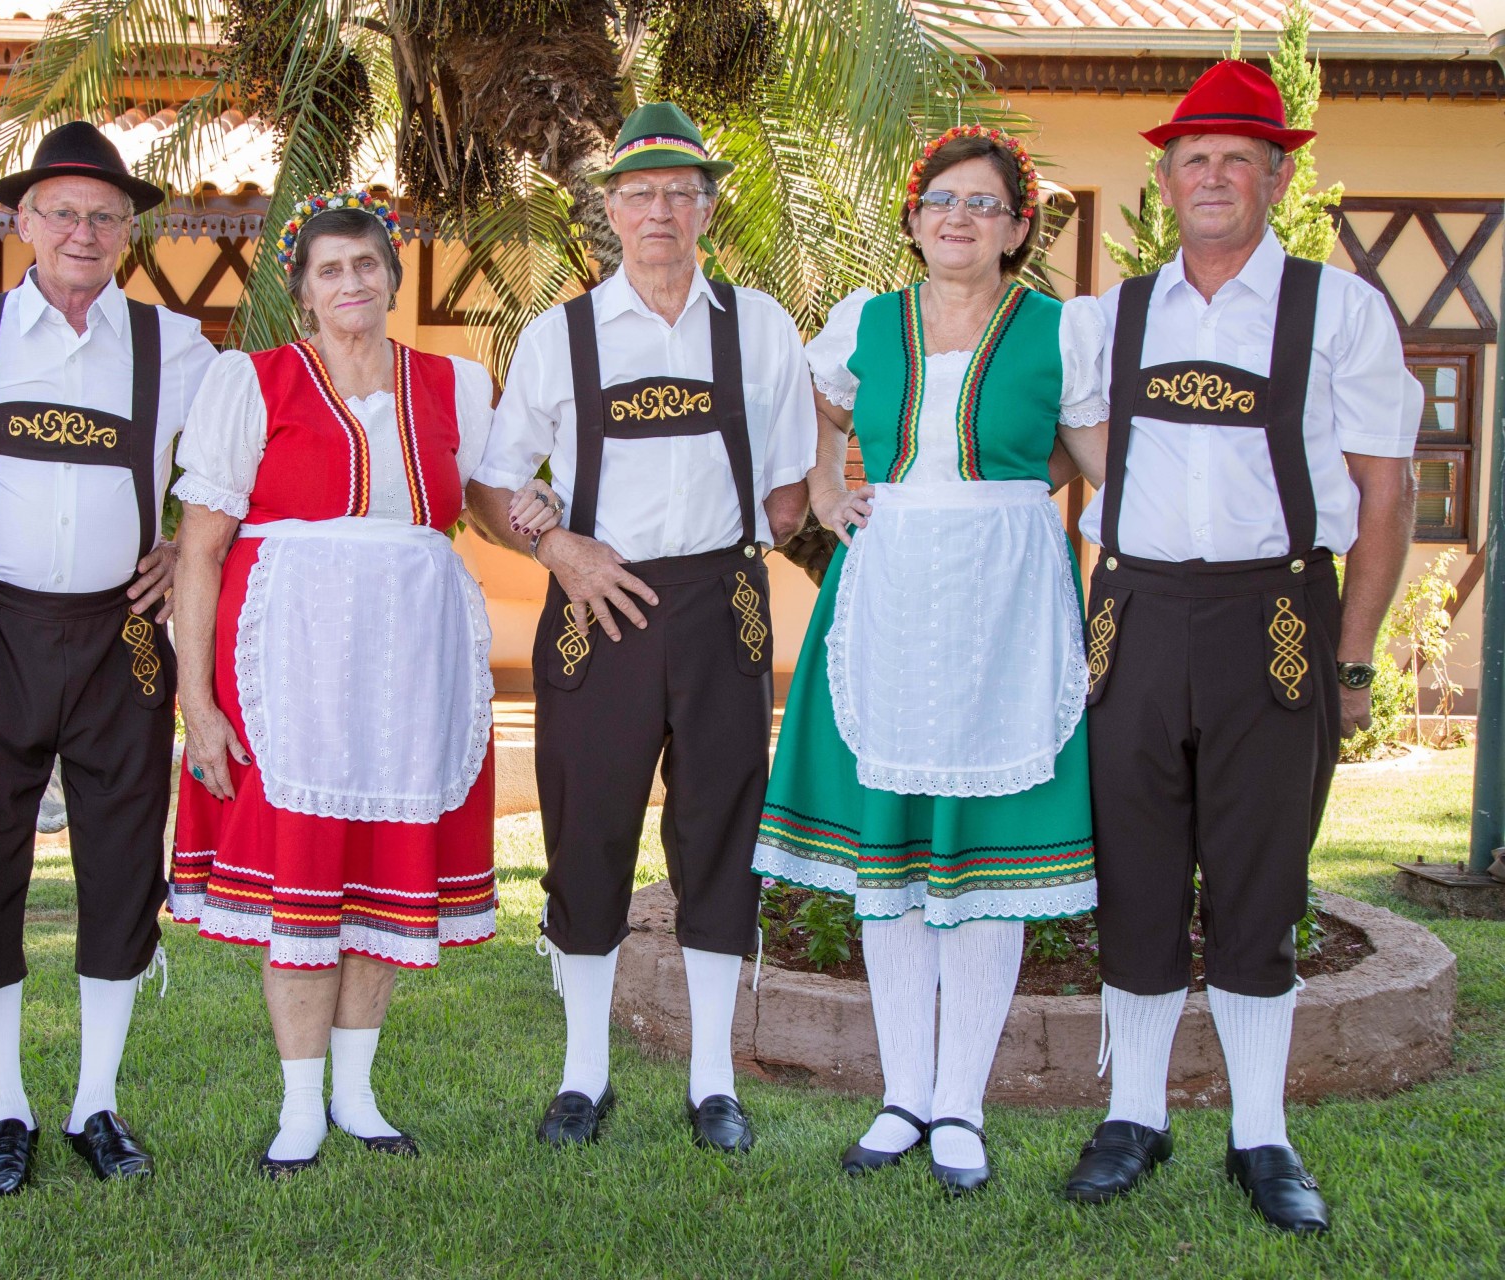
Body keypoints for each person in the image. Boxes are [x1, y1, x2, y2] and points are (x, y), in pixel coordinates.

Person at [1056, 60, 1419, 1234]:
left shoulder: (1341, 309)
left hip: (1277, 614)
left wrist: (1351, 657)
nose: (1211, 176)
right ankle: (1139, 1114)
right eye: (1191, 158)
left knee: (1262, 877)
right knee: (1139, 873)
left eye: (1236, 157)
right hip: (1136, 616)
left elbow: (1385, 494)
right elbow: (1072, 458)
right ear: (1164, 182)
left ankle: (1261, 1131)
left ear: (1277, 172)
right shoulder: (1105, 320)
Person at [753, 126, 1099, 1195]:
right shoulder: (865, 321)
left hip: (1006, 594)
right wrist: (822, 487)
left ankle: (962, 1104)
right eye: (941, 200)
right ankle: (903, 1093)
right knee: (892, 854)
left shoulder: (1061, 330)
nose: (959, 218)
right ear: (913, 220)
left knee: (982, 864)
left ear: (1018, 227)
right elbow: (813, 400)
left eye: (984, 204)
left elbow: (1096, 459)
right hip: (893, 581)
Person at [468, 102, 815, 1153]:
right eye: (638, 194)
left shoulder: (758, 325)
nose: (659, 211)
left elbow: (793, 493)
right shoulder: (558, 334)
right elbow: (492, 486)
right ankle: (584, 1075)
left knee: (721, 836)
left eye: (679, 192)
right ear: (609, 211)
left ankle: (713, 1080)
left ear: (707, 207)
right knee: (589, 832)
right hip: (595, 607)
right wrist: (557, 547)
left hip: (723, 607)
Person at [168, 189, 509, 1177]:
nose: (351, 282)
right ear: (302, 289)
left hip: (409, 673)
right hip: (289, 669)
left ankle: (358, 1093)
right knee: (304, 884)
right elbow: (200, 551)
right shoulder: (254, 383)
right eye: (330, 269)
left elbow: (492, 504)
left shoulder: (453, 387)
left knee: (381, 875)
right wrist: (199, 700)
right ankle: (298, 1104)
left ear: (394, 277)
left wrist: (554, 519)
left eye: (366, 264)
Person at [0, 121, 218, 1193]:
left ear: (127, 230)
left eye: (103, 214)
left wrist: (184, 538)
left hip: (120, 641)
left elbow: (233, 476)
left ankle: (95, 1099)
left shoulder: (176, 347)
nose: (82, 231)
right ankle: (7, 1106)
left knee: (122, 866)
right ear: (23, 223)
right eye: (62, 212)